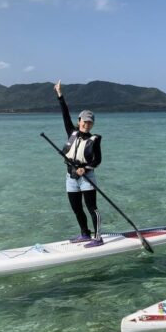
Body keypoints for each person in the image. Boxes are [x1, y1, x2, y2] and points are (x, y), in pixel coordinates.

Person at [53, 80, 104, 248]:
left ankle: (98, 237)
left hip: (86, 177)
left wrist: (85, 168)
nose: (87, 124)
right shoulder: (72, 132)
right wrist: (60, 95)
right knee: (76, 208)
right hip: (71, 177)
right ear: (79, 120)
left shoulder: (94, 139)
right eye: (84, 121)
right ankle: (84, 233)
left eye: (90, 122)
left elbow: (98, 160)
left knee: (92, 207)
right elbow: (65, 114)